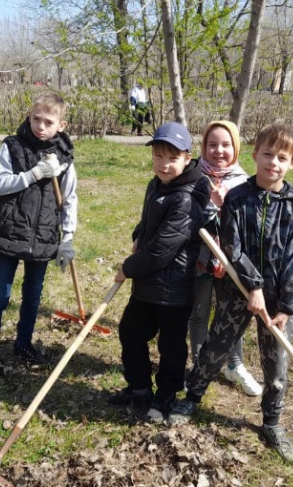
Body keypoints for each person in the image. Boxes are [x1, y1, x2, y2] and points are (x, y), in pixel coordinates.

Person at [169, 123, 293, 463]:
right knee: (215, 348)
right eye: (267, 154)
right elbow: (232, 247)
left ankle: (272, 422)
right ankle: (192, 397)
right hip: (237, 290)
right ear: (255, 155)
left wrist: (286, 306)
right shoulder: (237, 198)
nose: (273, 162)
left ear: (292, 164)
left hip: (276, 301)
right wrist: (253, 287)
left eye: (282, 158)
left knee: (276, 367)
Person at [108, 122, 210, 422]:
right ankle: (139, 388)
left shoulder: (188, 198)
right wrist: (138, 233)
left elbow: (163, 249)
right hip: (148, 283)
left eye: (172, 158)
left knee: (171, 346)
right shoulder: (157, 185)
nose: (164, 164)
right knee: (131, 332)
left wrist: (128, 268)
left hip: (174, 288)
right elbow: (150, 222)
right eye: (158, 156)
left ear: (187, 158)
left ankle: (165, 395)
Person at [0, 94, 78, 388]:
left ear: (61, 125)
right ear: (29, 116)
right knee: (0, 296)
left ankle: (23, 343)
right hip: (9, 232)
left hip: (44, 236)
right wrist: (33, 174)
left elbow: (69, 198)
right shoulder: (13, 146)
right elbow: (0, 184)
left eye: (48, 122)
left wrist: (67, 238)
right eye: (36, 119)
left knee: (33, 296)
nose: (40, 127)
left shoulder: (64, 157)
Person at [189, 120, 263, 397]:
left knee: (230, 314)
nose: (218, 150)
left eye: (225, 144)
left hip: (231, 261)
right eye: (212, 144)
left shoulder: (244, 182)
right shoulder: (194, 177)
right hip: (199, 257)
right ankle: (199, 367)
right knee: (199, 313)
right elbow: (185, 216)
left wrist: (225, 206)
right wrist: (211, 207)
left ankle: (234, 364)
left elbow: (248, 225)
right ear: (203, 147)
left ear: (236, 148)